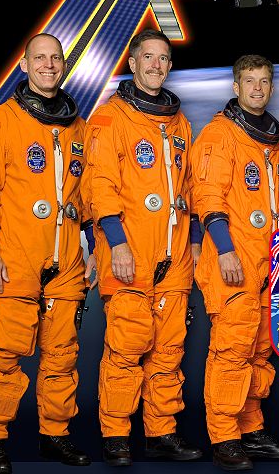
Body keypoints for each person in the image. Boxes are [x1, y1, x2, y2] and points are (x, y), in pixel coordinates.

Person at [0, 33, 93, 473]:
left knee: (62, 355)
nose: (49, 65)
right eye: (40, 58)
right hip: (15, 258)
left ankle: (55, 434)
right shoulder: (1, 121)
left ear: (64, 65)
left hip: (67, 261)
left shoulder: (78, 127)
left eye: (55, 58)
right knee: (5, 354)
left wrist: (94, 246)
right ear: (24, 65)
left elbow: (86, 196)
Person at [82, 29, 202, 466]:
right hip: (128, 251)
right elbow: (99, 186)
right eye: (148, 57)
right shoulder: (109, 118)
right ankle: (116, 435)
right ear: (132, 64)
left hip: (174, 255)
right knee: (127, 347)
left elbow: (188, 189)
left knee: (168, 349)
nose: (156, 65)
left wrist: (195, 243)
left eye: (163, 58)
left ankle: (161, 432)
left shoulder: (179, 122)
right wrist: (115, 244)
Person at [190, 55, 279, 470]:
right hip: (232, 259)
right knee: (232, 350)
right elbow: (207, 197)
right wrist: (225, 249)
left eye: (264, 81)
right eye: (249, 81)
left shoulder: (276, 145)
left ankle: (251, 429)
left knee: (259, 351)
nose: (257, 88)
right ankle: (225, 437)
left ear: (271, 87)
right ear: (236, 87)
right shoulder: (220, 135)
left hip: (269, 263)